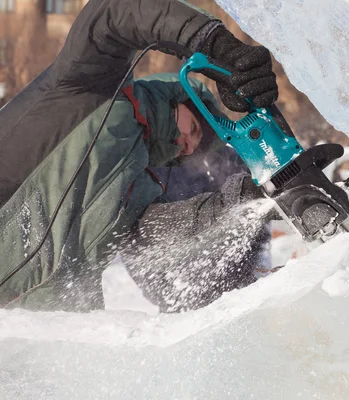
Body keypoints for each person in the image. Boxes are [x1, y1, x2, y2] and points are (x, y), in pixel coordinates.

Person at [0, 0, 280, 312]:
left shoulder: (140, 189)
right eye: (194, 129)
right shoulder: (91, 88)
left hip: (35, 337)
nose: (183, 142)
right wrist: (221, 50)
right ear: (182, 98)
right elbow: (114, 12)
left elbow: (160, 244)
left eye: (188, 149)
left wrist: (250, 199)